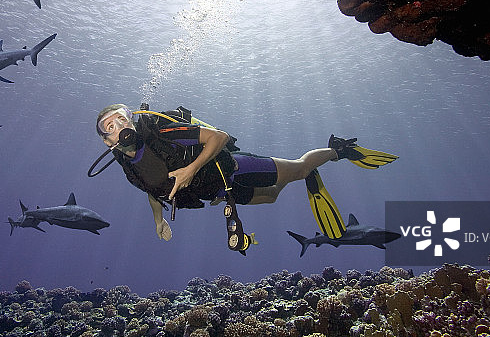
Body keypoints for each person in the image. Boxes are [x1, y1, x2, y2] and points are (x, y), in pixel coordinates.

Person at [94, 104, 397, 242]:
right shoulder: (127, 165)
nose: (118, 127)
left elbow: (219, 136)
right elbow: (153, 189)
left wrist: (190, 170)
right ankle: (307, 175)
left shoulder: (161, 131)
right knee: (273, 198)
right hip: (220, 191)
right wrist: (158, 221)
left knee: (301, 166)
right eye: (110, 127)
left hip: (235, 167)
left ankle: (337, 150)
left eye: (121, 120)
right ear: (108, 143)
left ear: (132, 122)